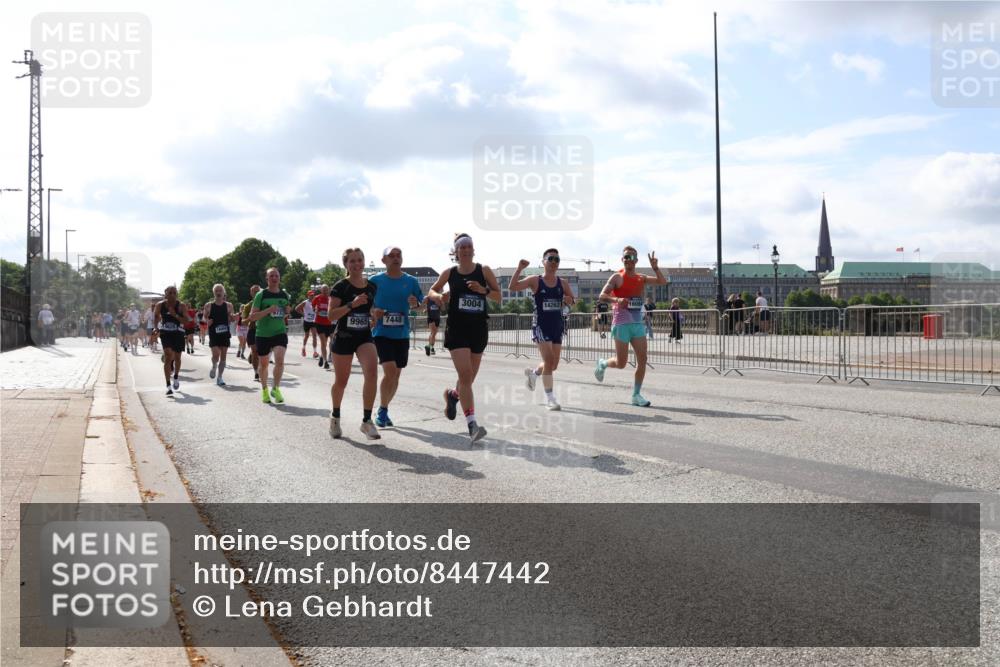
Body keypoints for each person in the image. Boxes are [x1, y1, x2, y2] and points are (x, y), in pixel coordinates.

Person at [428, 233, 500, 444]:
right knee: (466, 376)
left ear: (473, 249)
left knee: (469, 377)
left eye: (469, 246)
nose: (466, 250)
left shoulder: (483, 270)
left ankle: (453, 395)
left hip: (478, 329)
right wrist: (439, 297)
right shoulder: (450, 273)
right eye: (462, 247)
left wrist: (483, 290)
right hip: (457, 329)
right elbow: (432, 289)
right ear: (456, 252)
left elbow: (498, 295)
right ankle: (472, 425)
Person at [593, 247, 668, 407]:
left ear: (636, 260)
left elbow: (662, 282)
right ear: (622, 259)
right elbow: (601, 296)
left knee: (643, 359)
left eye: (631, 256)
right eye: (626, 256)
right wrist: (617, 300)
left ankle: (636, 395)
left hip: (637, 323)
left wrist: (655, 269)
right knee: (621, 363)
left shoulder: (641, 278)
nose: (628, 259)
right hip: (621, 323)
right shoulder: (617, 277)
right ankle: (603, 364)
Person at [508, 249, 576, 411]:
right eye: (550, 259)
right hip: (541, 325)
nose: (554, 262)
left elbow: (572, 300)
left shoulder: (563, 283)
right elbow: (512, 287)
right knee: (549, 360)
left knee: (553, 364)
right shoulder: (535, 280)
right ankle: (550, 398)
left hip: (557, 325)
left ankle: (534, 374)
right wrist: (519, 269)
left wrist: (568, 300)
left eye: (556, 259)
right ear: (543, 262)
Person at [328, 248, 381, 440]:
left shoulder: (372, 287)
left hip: (364, 336)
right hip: (343, 337)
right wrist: (352, 305)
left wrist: (373, 315)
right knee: (341, 381)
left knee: (372, 372)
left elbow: (370, 309)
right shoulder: (340, 287)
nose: (357, 264)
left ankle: (367, 421)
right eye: (352, 261)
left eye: (360, 260)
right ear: (346, 264)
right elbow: (331, 315)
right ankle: (335, 416)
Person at [370, 246, 425, 428]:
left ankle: (384, 408)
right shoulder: (375, 281)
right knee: (390, 371)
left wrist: (416, 304)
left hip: (402, 333)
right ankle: (382, 412)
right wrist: (373, 311)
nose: (395, 258)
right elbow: (364, 304)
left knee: (396, 375)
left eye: (398, 255)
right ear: (383, 260)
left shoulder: (411, 281)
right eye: (391, 256)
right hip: (381, 333)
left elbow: (421, 305)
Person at [249, 269, 291, 404]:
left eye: (277, 275)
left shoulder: (284, 295)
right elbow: (253, 317)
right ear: (267, 278)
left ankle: (276, 388)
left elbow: (284, 313)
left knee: (280, 360)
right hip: (263, 334)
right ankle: (265, 390)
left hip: (279, 332)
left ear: (280, 278)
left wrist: (286, 312)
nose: (274, 278)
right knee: (264, 364)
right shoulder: (261, 295)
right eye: (271, 276)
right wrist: (268, 310)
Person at [152, 286, 192, 396]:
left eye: (174, 293)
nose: (172, 295)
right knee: (168, 355)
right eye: (170, 293)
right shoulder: (160, 305)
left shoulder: (181, 306)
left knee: (177, 357)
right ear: (165, 294)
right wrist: (155, 327)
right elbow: (155, 317)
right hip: (166, 332)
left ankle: (176, 376)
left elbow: (186, 321)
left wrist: (175, 314)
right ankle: (168, 386)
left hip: (178, 332)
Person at [204, 284, 235, 386]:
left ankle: (220, 377)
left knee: (223, 357)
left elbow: (231, 318)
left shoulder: (229, 305)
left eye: (220, 290)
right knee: (216, 354)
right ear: (214, 293)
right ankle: (214, 366)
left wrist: (233, 318)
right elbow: (204, 318)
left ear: (223, 293)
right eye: (216, 291)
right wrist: (207, 321)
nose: (218, 292)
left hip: (225, 333)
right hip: (214, 333)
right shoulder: (208, 305)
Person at [311, 285, 335, 369]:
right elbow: (313, 307)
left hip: (330, 323)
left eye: (326, 290)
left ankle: (322, 356)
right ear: (321, 290)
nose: (325, 291)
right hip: (320, 323)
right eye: (323, 290)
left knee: (332, 341)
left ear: (329, 290)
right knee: (323, 342)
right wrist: (315, 310)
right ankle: (325, 362)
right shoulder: (317, 298)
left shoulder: (331, 299)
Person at [240, 285, 261, 381]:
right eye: (254, 292)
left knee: (263, 352)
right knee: (256, 351)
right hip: (252, 330)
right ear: (251, 293)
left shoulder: (264, 304)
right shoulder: (248, 306)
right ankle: (256, 373)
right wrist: (250, 317)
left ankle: (252, 356)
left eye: (258, 291)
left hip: (264, 330)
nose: (256, 293)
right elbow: (243, 322)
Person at [296, 290, 318, 359]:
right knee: (307, 335)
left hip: (313, 321)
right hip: (306, 321)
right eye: (311, 295)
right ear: (308, 296)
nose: (312, 296)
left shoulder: (316, 302)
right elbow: (297, 308)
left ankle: (315, 352)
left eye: (313, 295)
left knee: (314, 335)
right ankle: (303, 348)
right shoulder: (305, 302)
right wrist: (304, 314)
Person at [425, 291, 442, 356]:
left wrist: (440, 304)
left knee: (433, 334)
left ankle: (429, 347)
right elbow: (424, 305)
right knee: (433, 332)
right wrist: (425, 309)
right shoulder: (428, 298)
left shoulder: (439, 299)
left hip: (437, 318)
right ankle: (431, 347)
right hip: (431, 318)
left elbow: (443, 309)